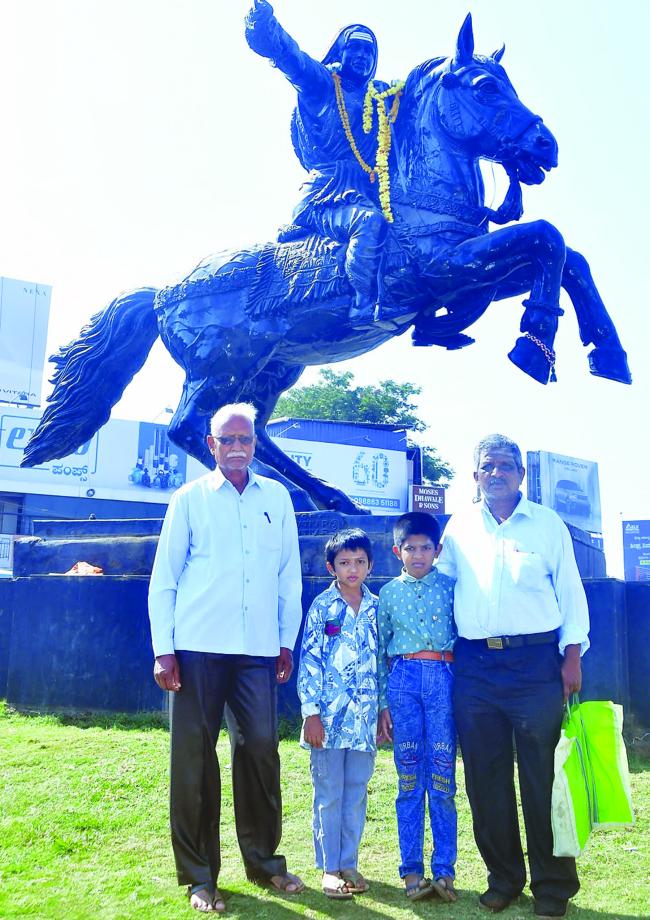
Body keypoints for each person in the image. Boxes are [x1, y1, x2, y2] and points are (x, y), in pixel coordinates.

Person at [148, 402, 304, 913]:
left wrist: (285, 640)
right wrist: (163, 650)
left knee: (260, 747)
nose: (238, 448)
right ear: (210, 445)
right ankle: (199, 875)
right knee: (193, 759)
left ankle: (264, 861)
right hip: (196, 649)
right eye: (227, 440)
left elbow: (288, 576)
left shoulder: (277, 499)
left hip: (257, 650)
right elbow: (165, 578)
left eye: (246, 439)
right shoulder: (188, 499)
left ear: (255, 444)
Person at [436, 434, 589, 920]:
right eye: (487, 465)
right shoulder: (458, 526)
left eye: (506, 465)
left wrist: (572, 656)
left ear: (521, 475)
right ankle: (503, 878)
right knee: (486, 779)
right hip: (475, 668)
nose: (496, 472)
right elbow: (439, 587)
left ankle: (554, 886)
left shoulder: (547, 525)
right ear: (475, 475)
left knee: (543, 779)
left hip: (535, 666)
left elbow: (570, 591)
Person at [245, 0, 404, 330]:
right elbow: (293, 59)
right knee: (370, 224)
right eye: (355, 49)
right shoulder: (322, 84)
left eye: (369, 52)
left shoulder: (381, 98)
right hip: (326, 196)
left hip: (371, 191)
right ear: (341, 53)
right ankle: (363, 305)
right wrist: (266, 29)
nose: (362, 57)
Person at [376, 512, 458, 904]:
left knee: (442, 777)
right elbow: (380, 651)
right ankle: (411, 871)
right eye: (411, 548)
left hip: (444, 677)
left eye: (426, 547)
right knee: (408, 778)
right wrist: (382, 704)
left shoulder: (452, 588)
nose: (419, 554)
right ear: (398, 551)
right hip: (403, 680)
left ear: (438, 550)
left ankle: (445, 871)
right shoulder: (388, 594)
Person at [297, 528, 379, 900]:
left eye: (359, 562)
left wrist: (383, 710)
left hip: (364, 722)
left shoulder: (378, 608)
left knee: (356, 793)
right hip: (327, 723)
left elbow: (383, 664)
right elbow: (309, 661)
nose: (352, 569)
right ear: (331, 566)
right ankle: (329, 869)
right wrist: (310, 712)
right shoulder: (322, 607)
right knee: (328, 793)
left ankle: (349, 862)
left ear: (370, 565)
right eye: (344, 562)